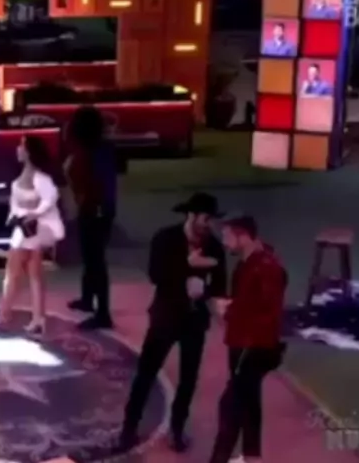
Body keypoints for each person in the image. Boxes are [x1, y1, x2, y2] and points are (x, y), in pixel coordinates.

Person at [119, 193, 226, 452]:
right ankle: (128, 428)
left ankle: (177, 429)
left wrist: (206, 291)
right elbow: (156, 275)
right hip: (165, 317)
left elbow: (220, 285)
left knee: (188, 379)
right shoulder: (165, 238)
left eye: (212, 220)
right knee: (146, 373)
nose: (209, 225)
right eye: (206, 219)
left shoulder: (214, 247)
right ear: (192, 215)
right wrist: (186, 267)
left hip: (195, 321)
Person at [208, 215, 287, 463]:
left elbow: (267, 312)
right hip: (244, 342)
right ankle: (252, 457)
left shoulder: (266, 268)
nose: (224, 242)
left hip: (253, 347)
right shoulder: (248, 263)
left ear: (242, 235)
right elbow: (251, 302)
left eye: (227, 236)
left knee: (230, 406)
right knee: (249, 402)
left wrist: (229, 311)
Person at [0, 136, 65, 335]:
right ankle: (37, 319)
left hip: (33, 231)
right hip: (23, 230)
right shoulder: (19, 180)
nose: (18, 149)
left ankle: (6, 314)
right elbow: (14, 205)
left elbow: (50, 198)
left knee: (14, 273)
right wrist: (17, 217)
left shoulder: (41, 179)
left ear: (29, 152)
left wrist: (34, 213)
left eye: (21, 146)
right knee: (32, 273)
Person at [64, 106, 118, 330]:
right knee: (89, 256)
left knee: (96, 259)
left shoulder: (94, 152)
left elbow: (97, 186)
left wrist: (91, 207)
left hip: (96, 211)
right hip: (94, 208)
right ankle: (88, 298)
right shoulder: (94, 148)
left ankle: (103, 313)